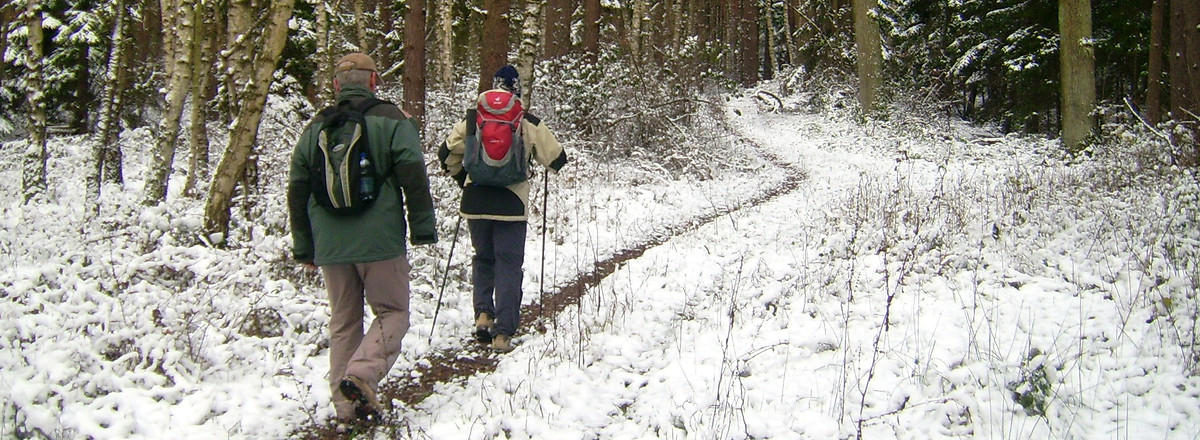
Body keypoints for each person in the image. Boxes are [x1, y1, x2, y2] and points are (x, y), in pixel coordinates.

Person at [287, 53, 437, 426]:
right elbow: (413, 177)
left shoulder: (316, 126)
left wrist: (305, 246)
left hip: (331, 244)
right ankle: (362, 376)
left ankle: (348, 409)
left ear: (337, 85)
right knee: (392, 312)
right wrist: (422, 229)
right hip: (380, 239)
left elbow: (297, 189)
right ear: (374, 81)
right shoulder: (392, 120)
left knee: (343, 321)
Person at [438, 65, 568, 353]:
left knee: (483, 258)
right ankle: (503, 333)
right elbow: (557, 159)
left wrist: (465, 181)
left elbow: (446, 153)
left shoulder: (473, 119)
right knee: (509, 265)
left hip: (476, 202)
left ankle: (483, 316)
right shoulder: (526, 120)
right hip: (511, 204)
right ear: (516, 90)